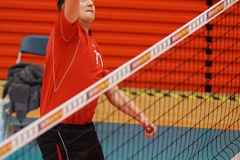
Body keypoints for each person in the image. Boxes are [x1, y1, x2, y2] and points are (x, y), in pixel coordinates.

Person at [37, 0, 157, 159]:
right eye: (83, 0)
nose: (91, 3)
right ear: (66, 9)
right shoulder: (65, 34)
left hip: (86, 130)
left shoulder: (94, 47)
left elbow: (112, 91)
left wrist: (141, 117)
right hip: (59, 130)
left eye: (91, 0)